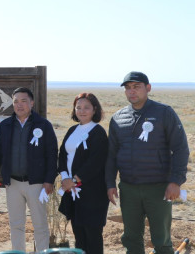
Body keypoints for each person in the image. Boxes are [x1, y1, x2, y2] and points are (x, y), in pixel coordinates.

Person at [105, 72, 189, 254]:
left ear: (148, 88)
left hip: (159, 188)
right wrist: (110, 183)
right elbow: (111, 155)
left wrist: (175, 181)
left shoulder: (164, 113)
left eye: (136, 87)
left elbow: (181, 148)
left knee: (161, 240)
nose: (131, 92)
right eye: (128, 88)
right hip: (129, 189)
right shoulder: (118, 118)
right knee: (132, 239)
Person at [0, 87, 58, 252]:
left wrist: (49, 181)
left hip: (36, 184)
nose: (19, 105)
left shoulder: (44, 125)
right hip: (12, 183)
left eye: (24, 101)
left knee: (40, 225)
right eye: (16, 102)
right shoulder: (6, 125)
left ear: (32, 103)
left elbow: (52, 154)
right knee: (16, 225)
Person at [57, 93, 109, 253]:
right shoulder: (73, 130)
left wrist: (74, 180)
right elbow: (62, 155)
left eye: (86, 107)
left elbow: (95, 163)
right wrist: (65, 178)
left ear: (95, 109)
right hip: (72, 191)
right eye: (78, 107)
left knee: (92, 235)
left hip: (93, 193)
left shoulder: (98, 132)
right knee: (78, 234)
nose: (82, 110)